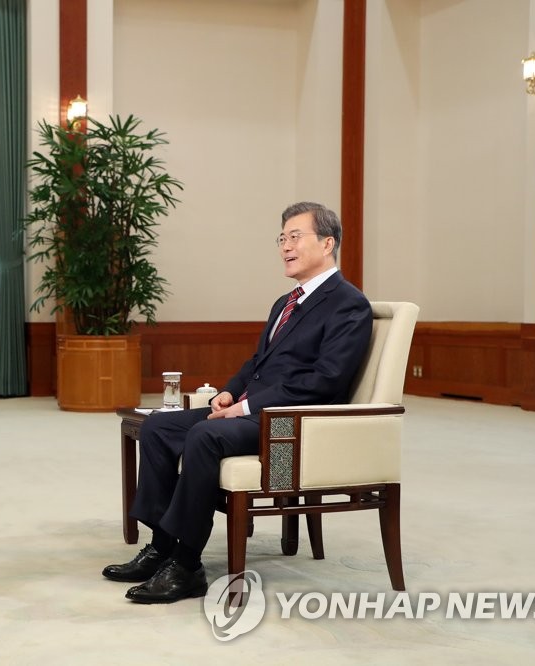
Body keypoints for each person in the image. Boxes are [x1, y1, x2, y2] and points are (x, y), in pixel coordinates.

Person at [102, 201, 373, 604]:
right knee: (159, 426)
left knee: (205, 435)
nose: (285, 246)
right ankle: (162, 547)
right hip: (254, 410)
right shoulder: (285, 302)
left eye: (295, 237)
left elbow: (325, 380)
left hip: (291, 423)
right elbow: (257, 363)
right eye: (281, 238)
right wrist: (229, 392)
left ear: (327, 243)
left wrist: (244, 408)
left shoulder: (348, 303)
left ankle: (187, 566)